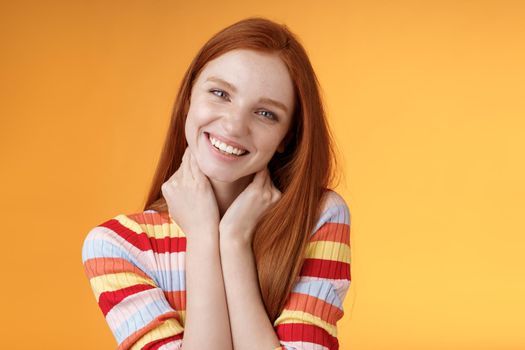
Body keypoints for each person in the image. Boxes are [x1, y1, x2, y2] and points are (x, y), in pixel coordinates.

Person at [82, 16, 352, 350]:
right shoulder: (117, 246)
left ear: (287, 136)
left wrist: (235, 241)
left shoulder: (318, 217)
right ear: (188, 99)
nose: (235, 126)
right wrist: (203, 236)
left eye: (266, 113)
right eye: (220, 93)